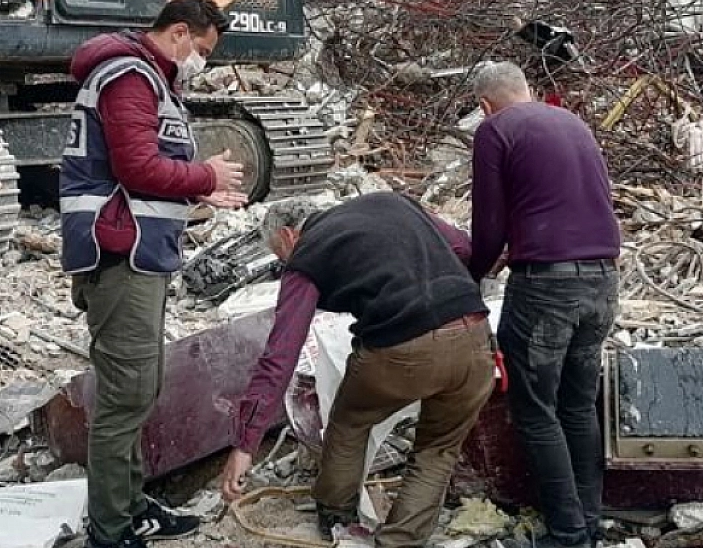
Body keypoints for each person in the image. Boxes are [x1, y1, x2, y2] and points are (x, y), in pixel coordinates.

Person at [60, 0, 249, 548]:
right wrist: (203, 177)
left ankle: (131, 505)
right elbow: (137, 167)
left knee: (139, 389)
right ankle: (112, 530)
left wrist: (198, 197)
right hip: (120, 255)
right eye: (204, 50)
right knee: (127, 395)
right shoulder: (130, 77)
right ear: (181, 33)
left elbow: (138, 176)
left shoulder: (149, 79)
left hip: (138, 250)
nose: (202, 62)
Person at [218, 193, 497, 548]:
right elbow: (464, 247)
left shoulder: (307, 255)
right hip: (474, 335)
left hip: (399, 346)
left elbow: (281, 353)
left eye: (280, 257)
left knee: (351, 421)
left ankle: (336, 515)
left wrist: (246, 444)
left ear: (289, 236)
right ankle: (400, 541)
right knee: (437, 450)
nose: (285, 265)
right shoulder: (392, 201)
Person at [468, 62, 621, 548]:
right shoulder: (572, 121)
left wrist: (471, 274)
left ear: (485, 105)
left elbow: (489, 224)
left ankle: (567, 533)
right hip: (604, 280)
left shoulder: (495, 130)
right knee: (577, 405)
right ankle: (590, 520)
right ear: (527, 90)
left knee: (535, 410)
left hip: (546, 288)